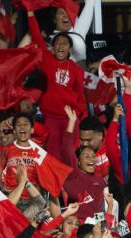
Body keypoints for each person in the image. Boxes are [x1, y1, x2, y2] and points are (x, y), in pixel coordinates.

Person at [26, 8, 86, 158]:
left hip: (70, 119)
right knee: (53, 154)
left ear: (70, 49)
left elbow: (81, 97)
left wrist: (79, 116)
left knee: (70, 154)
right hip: (51, 118)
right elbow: (36, 37)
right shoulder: (47, 61)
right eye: (57, 44)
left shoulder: (76, 70)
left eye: (64, 44)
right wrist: (30, 14)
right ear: (52, 48)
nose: (60, 47)